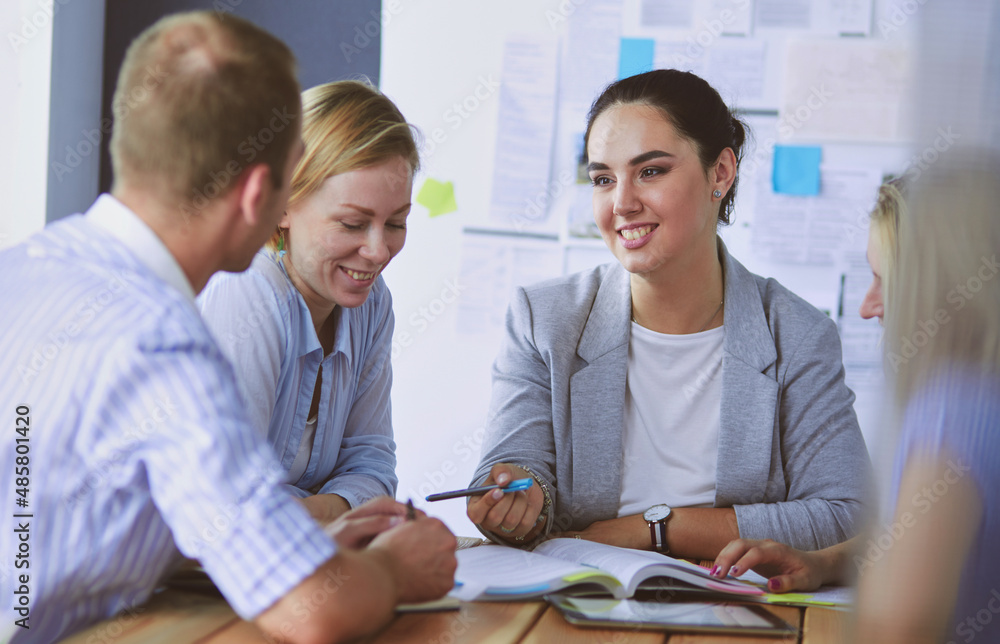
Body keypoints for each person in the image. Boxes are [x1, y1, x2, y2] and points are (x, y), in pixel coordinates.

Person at [0, 12, 455, 644]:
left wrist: (294, 537)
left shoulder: (19, 269)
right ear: (263, 197)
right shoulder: (165, 341)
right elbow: (310, 610)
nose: (376, 251)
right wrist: (392, 570)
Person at [467, 69, 871, 559]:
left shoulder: (797, 334)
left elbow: (844, 516)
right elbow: (516, 475)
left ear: (720, 173)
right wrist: (519, 502)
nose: (622, 203)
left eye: (651, 171)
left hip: (727, 609)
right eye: (602, 179)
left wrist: (654, 529)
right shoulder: (545, 319)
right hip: (580, 601)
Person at [711, 157, 1000, 643]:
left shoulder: (953, 408)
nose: (868, 306)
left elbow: (899, 629)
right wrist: (825, 562)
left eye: (885, 280)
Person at [197, 80, 415, 525]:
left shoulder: (370, 306)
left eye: (396, 222)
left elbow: (373, 465)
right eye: (353, 223)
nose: (378, 251)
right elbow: (227, 510)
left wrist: (311, 511)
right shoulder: (248, 295)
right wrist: (335, 513)